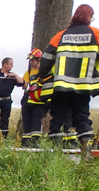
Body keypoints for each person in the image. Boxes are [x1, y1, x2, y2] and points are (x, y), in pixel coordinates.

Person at [32, 4, 99, 152]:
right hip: (83, 85)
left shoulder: (60, 35)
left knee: (58, 117)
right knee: (82, 117)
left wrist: (40, 77)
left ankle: (54, 154)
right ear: (89, 17)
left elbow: (46, 60)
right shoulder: (96, 34)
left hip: (61, 85)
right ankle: (87, 152)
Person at [20, 49, 45, 148]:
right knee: (26, 119)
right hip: (28, 99)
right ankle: (25, 142)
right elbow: (24, 84)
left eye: (32, 60)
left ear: (39, 60)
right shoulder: (29, 72)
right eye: (30, 60)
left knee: (36, 120)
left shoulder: (44, 71)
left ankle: (35, 142)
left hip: (39, 100)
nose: (31, 62)